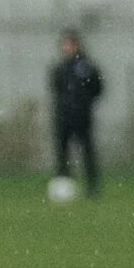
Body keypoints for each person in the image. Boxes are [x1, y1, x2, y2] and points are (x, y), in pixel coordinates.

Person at [51, 29, 104, 197]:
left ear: (77, 45)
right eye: (64, 44)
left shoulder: (86, 67)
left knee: (87, 151)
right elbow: (56, 88)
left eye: (69, 44)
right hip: (63, 117)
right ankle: (63, 185)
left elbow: (97, 88)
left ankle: (92, 187)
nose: (66, 48)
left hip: (82, 117)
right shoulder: (60, 68)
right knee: (62, 152)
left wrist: (83, 103)